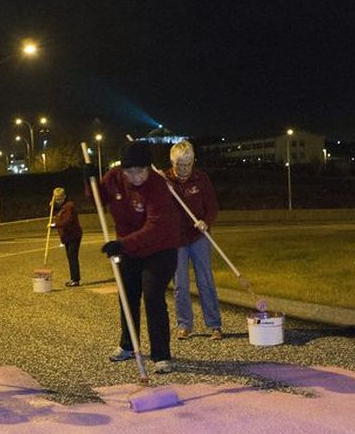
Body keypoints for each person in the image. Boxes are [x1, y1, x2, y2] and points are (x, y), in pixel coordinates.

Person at [89, 141, 182, 373]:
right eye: (130, 171)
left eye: (141, 170)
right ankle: (128, 345)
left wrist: (121, 244)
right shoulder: (114, 178)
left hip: (161, 248)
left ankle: (161, 355)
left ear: (148, 168)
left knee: (152, 295)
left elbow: (155, 227)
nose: (136, 176)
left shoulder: (157, 186)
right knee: (127, 295)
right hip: (130, 249)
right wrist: (88, 180)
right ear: (122, 170)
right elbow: (97, 200)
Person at [166, 140, 224, 341]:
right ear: (172, 163)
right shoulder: (164, 180)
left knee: (205, 280)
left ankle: (214, 324)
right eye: (180, 165)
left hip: (199, 237)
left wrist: (205, 222)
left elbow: (213, 207)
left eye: (188, 165)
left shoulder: (201, 178)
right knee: (181, 283)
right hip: (176, 239)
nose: (184, 170)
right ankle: (184, 324)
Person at [50, 187, 83, 286]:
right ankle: (74, 278)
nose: (58, 201)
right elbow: (54, 211)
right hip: (67, 236)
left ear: (64, 197)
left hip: (73, 235)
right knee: (70, 257)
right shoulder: (60, 207)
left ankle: (75, 279)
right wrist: (51, 206)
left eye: (59, 198)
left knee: (72, 257)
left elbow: (67, 221)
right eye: (56, 199)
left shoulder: (69, 207)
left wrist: (55, 225)